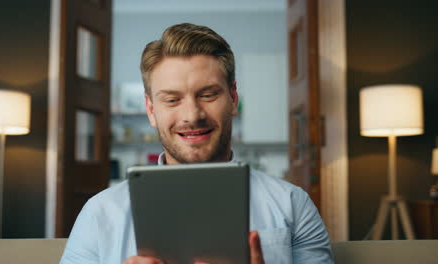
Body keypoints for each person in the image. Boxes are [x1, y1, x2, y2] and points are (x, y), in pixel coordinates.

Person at [60, 23, 334, 264]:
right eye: (172, 99)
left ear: (233, 97)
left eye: (208, 94)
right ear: (151, 109)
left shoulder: (292, 205)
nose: (192, 115)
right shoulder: (99, 213)